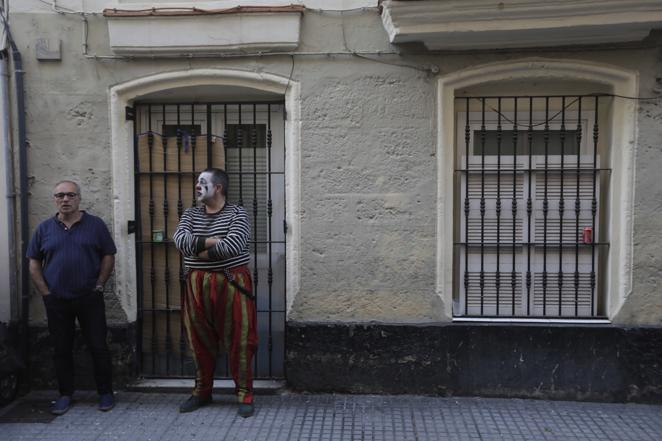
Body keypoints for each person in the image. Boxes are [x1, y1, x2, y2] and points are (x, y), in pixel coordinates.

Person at [27, 180, 116, 415]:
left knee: (98, 346)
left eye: (70, 195)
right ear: (55, 199)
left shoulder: (95, 225)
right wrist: (46, 293)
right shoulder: (44, 229)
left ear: (79, 198)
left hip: (90, 298)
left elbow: (108, 255)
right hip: (57, 300)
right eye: (60, 196)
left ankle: (105, 393)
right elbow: (34, 263)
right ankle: (65, 394)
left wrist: (99, 284)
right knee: (61, 349)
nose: (65, 200)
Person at [173, 168, 257, 418]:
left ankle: (245, 394)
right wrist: (211, 241)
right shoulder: (190, 214)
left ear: (218, 187)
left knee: (241, 341)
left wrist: (196, 247)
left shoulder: (238, 214)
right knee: (198, 340)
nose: (197, 187)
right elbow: (179, 242)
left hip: (232, 283)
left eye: (202, 182)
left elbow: (231, 247)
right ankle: (202, 391)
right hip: (196, 284)